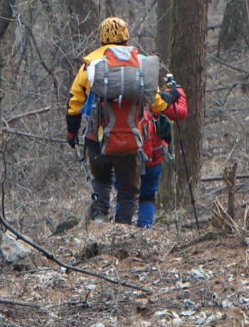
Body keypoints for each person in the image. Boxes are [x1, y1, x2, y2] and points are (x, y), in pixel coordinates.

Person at [66, 17, 174, 226]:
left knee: (101, 181)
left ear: (102, 38)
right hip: (130, 138)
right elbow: (157, 104)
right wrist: (169, 97)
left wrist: (71, 133)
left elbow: (74, 103)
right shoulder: (139, 63)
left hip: (96, 138)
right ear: (126, 38)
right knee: (128, 190)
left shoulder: (90, 66)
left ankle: (99, 220)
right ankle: (122, 229)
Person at [136, 74, 187, 228]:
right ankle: (145, 229)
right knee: (148, 196)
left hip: (125, 152)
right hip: (153, 155)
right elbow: (180, 112)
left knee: (125, 194)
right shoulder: (156, 99)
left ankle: (121, 230)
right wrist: (177, 91)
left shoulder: (119, 96)